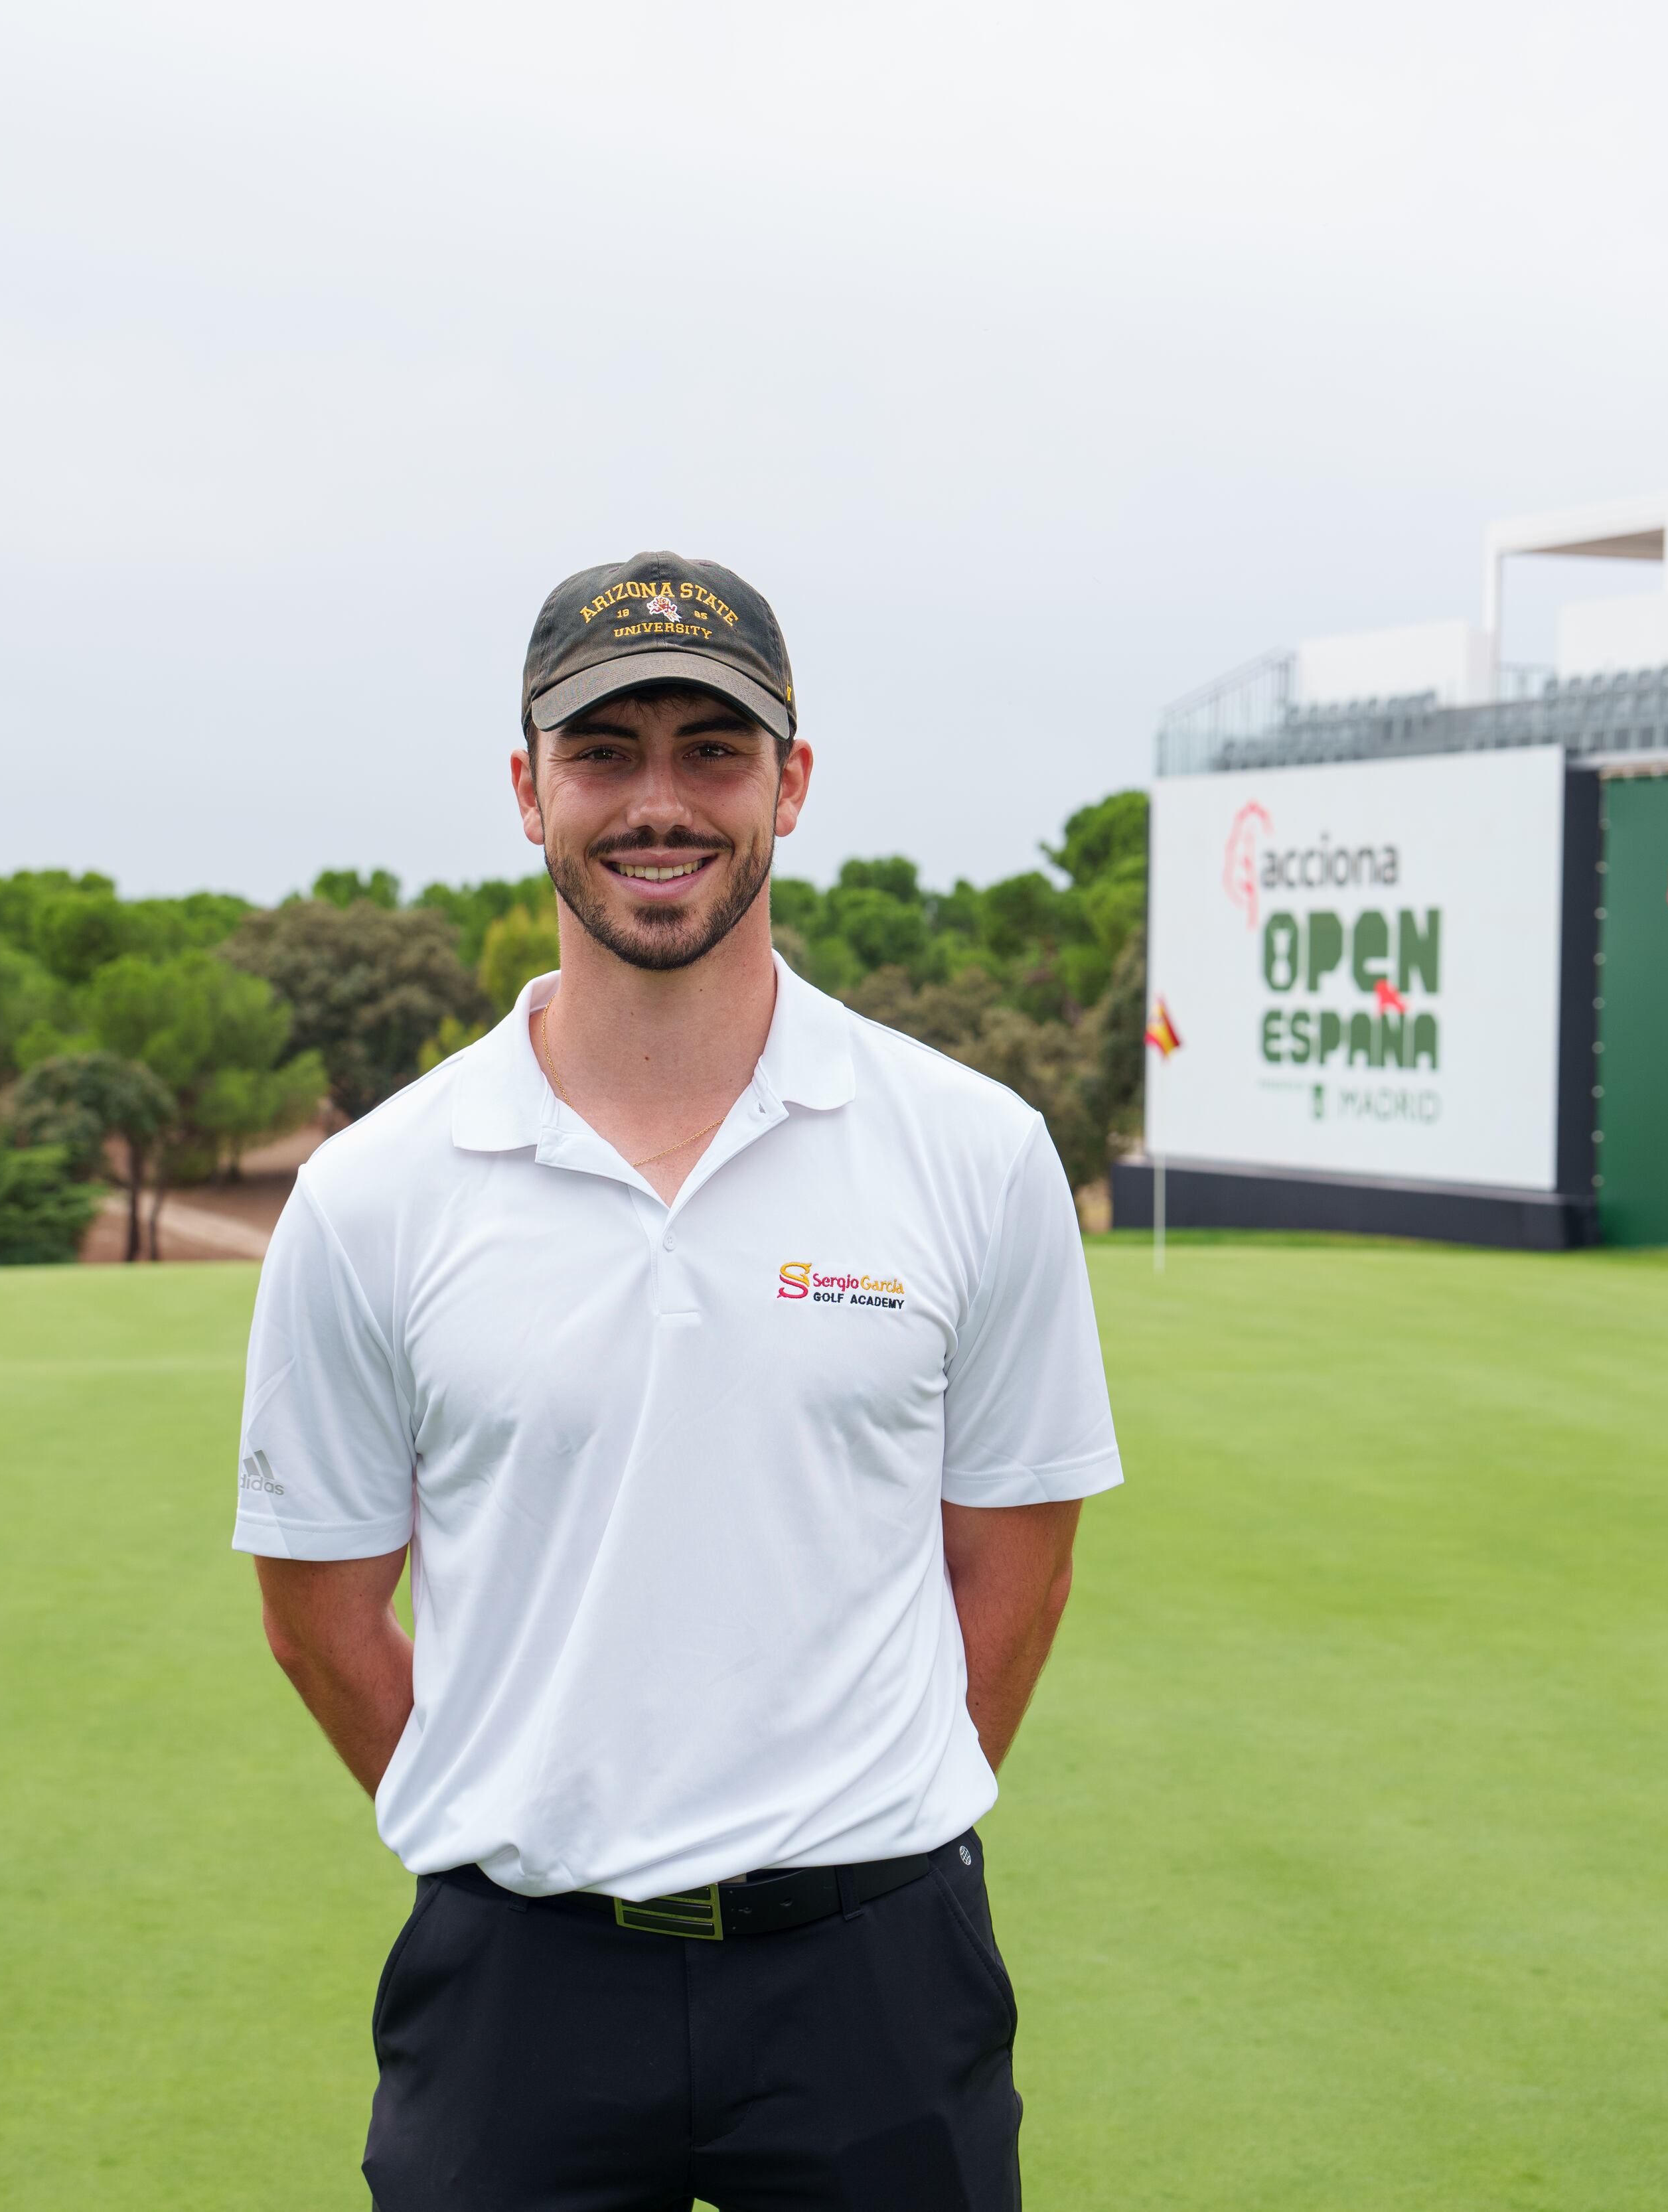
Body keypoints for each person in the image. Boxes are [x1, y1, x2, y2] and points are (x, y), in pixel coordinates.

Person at [236, 550, 1123, 2212]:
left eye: (712, 749)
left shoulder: (971, 1151)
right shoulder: (376, 1189)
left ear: (791, 781)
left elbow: (1018, 1562)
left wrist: (857, 1825)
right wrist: (521, 1813)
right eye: (606, 751)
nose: (660, 802)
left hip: (875, 1977)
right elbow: (319, 1613)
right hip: (517, 1992)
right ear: (528, 789)